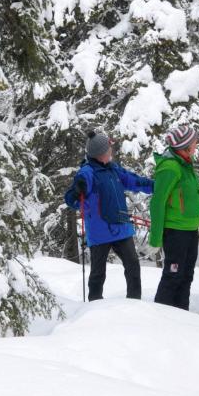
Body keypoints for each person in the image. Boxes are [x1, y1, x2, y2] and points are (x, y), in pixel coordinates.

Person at [65, 129, 153, 301]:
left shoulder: (114, 170)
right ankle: (94, 305)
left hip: (121, 228)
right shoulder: (87, 173)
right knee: (98, 273)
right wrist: (77, 191)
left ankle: (135, 302)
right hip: (100, 233)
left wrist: (157, 186)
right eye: (108, 149)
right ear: (100, 154)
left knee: (133, 265)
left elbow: (135, 181)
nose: (111, 151)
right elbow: (72, 199)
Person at [149, 125, 199, 310]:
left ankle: (182, 315)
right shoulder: (170, 168)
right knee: (173, 276)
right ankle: (161, 316)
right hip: (175, 232)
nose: (196, 145)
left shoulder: (186, 163)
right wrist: (155, 238)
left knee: (187, 275)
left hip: (190, 230)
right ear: (185, 146)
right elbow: (157, 203)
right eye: (194, 142)